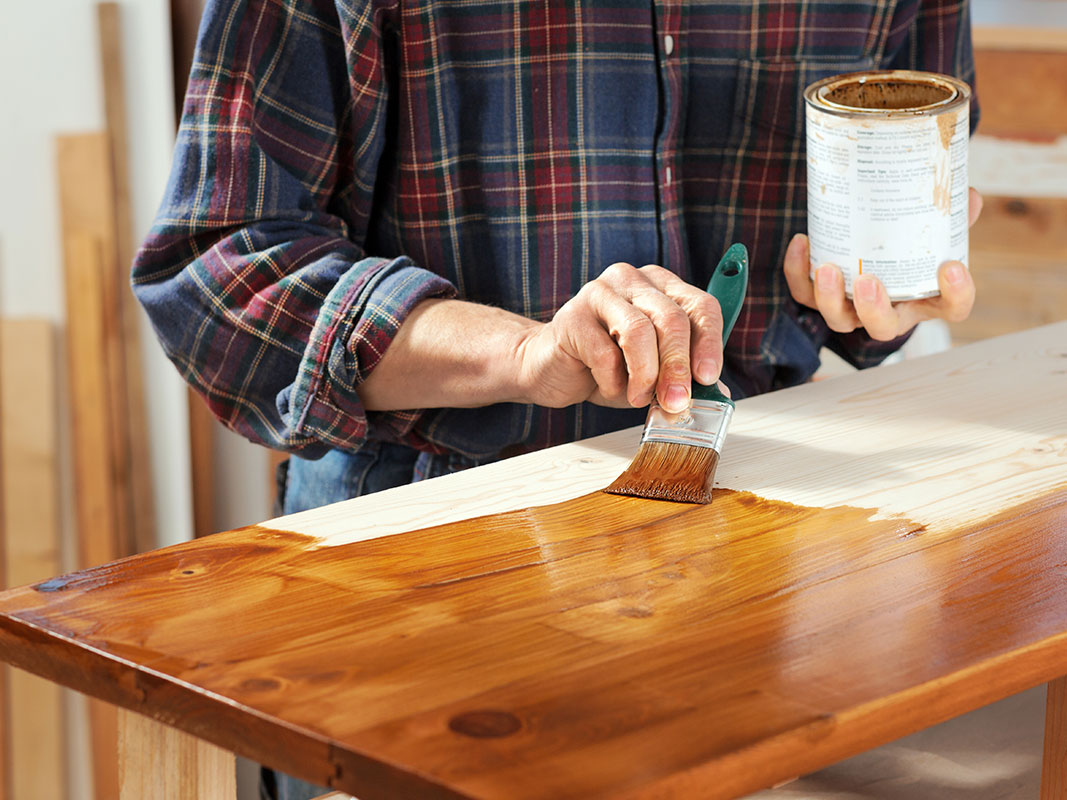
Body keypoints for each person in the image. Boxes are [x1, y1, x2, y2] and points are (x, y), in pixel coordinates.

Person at [133, 1, 981, 797]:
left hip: (759, 543)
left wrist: (863, 287)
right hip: (414, 560)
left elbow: (896, 224)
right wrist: (523, 351)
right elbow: (216, 274)